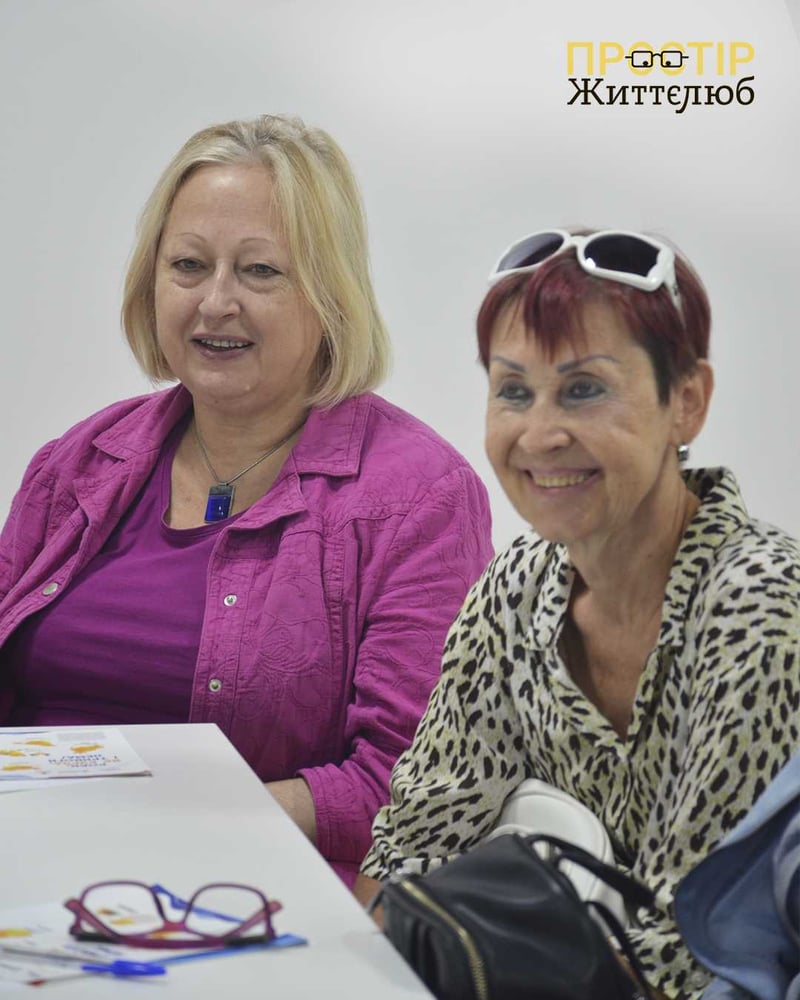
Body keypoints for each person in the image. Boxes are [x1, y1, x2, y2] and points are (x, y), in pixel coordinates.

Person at [0, 114, 493, 885]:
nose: (215, 302)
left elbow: (414, 783)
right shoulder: (77, 463)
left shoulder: (419, 498)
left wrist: (176, 816)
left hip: (233, 895)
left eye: (259, 271)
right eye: (189, 265)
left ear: (330, 295)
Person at [355, 229, 800, 998]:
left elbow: (687, 961)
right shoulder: (514, 589)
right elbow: (409, 855)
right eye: (513, 391)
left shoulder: (763, 606)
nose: (539, 434)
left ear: (687, 402)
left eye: (585, 389)